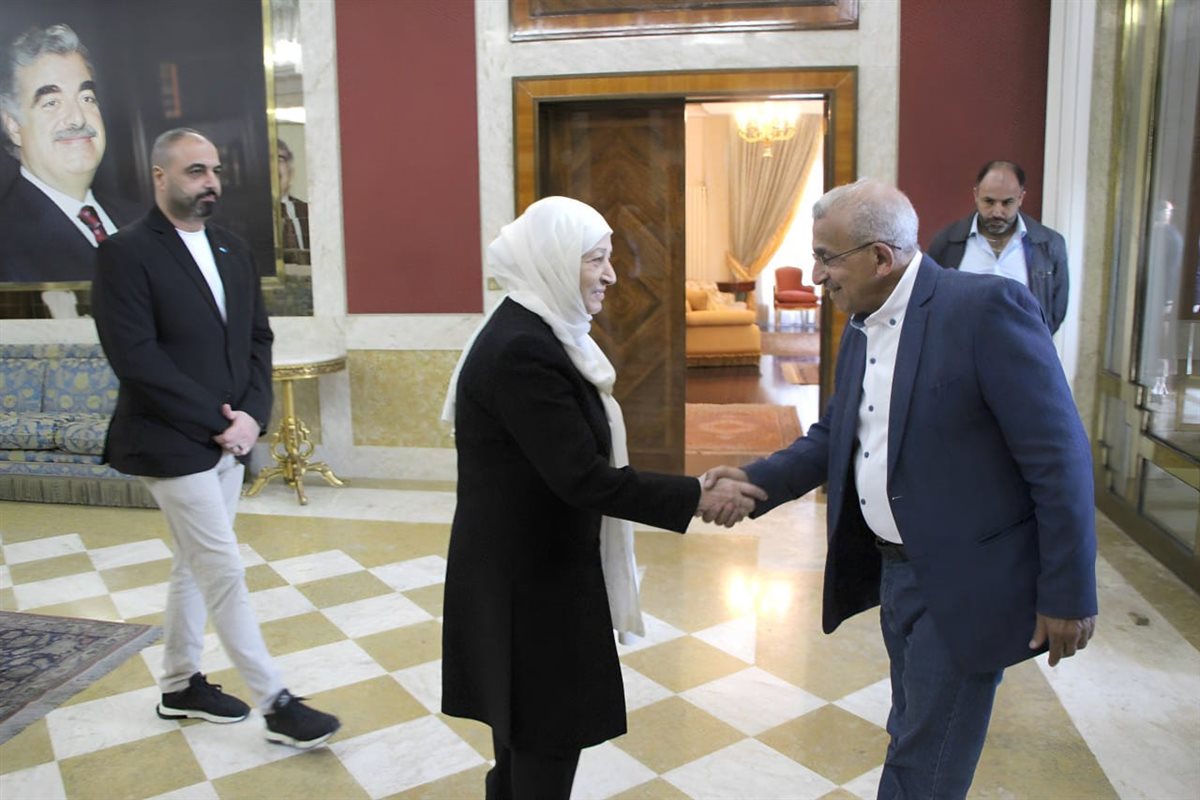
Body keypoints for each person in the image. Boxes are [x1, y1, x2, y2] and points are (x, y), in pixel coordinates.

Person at [706, 179, 1097, 798]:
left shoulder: (984, 310)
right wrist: (757, 481)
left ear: (880, 257)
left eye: (826, 258)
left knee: (926, 761)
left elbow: (1060, 460)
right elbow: (838, 433)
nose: (817, 276)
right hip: (896, 574)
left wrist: (1068, 594)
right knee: (910, 730)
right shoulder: (861, 326)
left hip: (966, 581)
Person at [439, 196, 766, 799]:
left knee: (525, 739)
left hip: (526, 574)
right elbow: (583, 478)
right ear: (553, 260)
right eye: (595, 259)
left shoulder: (538, 332)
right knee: (542, 742)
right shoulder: (523, 349)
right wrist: (696, 494)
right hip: (527, 589)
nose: (611, 275)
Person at [91, 128, 340, 749]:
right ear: (160, 177)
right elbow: (136, 358)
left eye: (215, 171)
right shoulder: (125, 252)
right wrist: (220, 421)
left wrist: (252, 415)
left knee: (193, 563)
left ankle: (179, 686)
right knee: (223, 566)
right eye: (195, 171)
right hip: (169, 439)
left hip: (230, 437)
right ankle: (276, 704)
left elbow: (258, 338)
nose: (211, 183)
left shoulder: (231, 247)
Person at [0, 23, 136, 284]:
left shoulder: (143, 222)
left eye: (87, 98)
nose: (77, 118)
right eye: (51, 103)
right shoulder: (6, 245)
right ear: (14, 125)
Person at [927, 160, 1069, 334]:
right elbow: (929, 299)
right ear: (976, 195)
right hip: (958, 346)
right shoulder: (947, 242)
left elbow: (1056, 311)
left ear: (1021, 198)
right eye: (989, 201)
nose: (997, 212)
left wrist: (1032, 342)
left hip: (1022, 346)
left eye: (1007, 203)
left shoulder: (1049, 245)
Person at [276, 137, 308, 257]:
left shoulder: (308, 211)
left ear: (291, 171)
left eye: (280, 159)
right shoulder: (253, 214)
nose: (273, 166)